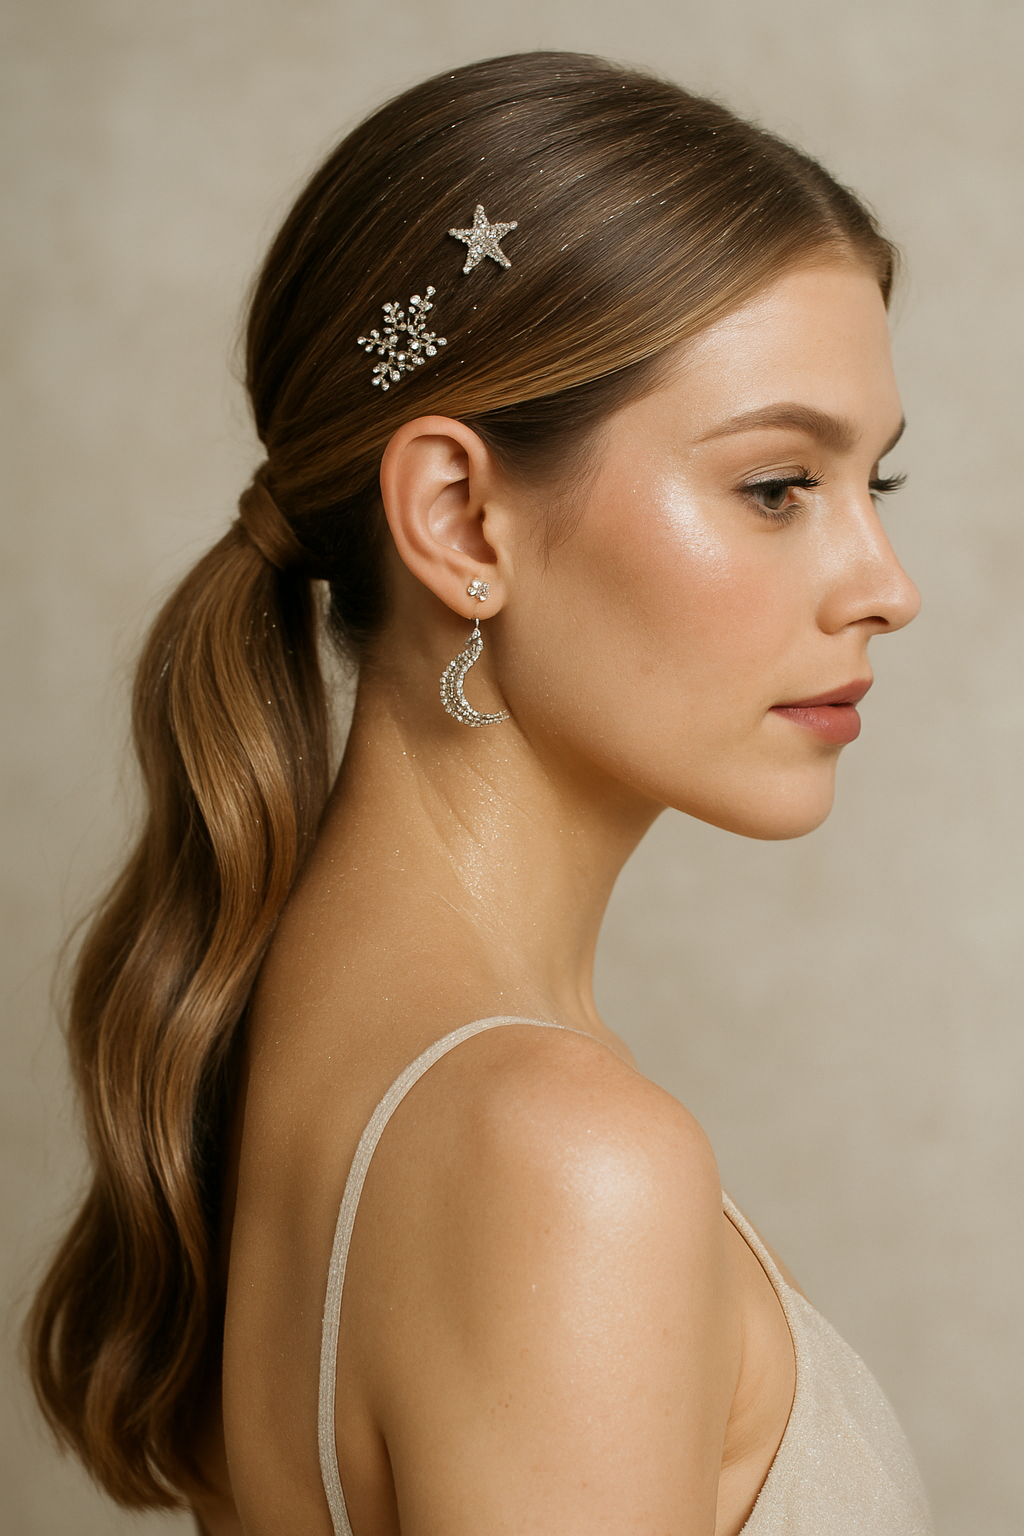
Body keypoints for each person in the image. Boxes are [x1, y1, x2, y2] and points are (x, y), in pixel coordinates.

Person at [28, 50, 933, 1536]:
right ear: (459, 519)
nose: (886, 588)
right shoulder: (564, 1161)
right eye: (777, 486)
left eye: (872, 488)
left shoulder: (281, 1043)